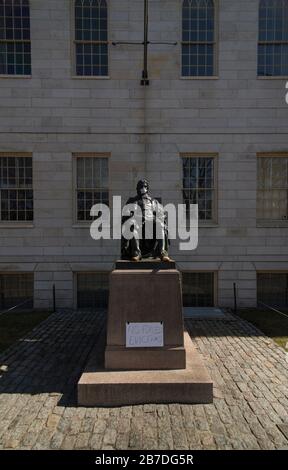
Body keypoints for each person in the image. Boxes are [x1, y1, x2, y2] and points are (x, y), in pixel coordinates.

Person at [121, 179, 171, 262]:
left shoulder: (154, 202)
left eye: (145, 186)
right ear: (137, 189)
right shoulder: (132, 201)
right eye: (140, 186)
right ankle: (137, 253)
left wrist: (157, 218)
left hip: (153, 225)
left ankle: (163, 253)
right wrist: (137, 217)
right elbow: (125, 216)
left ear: (147, 188)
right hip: (139, 225)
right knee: (132, 226)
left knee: (161, 225)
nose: (143, 188)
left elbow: (162, 215)